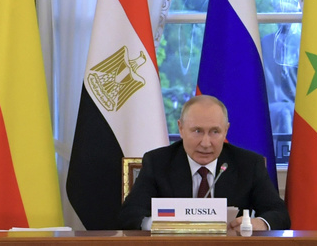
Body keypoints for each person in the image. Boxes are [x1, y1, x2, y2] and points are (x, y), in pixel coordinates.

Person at [117, 95, 289, 232]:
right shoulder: (157, 162)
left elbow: (279, 214)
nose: (206, 143)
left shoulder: (249, 164)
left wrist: (260, 223)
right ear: (181, 129)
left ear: (226, 131)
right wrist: (159, 225)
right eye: (197, 131)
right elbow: (129, 215)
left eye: (215, 132)